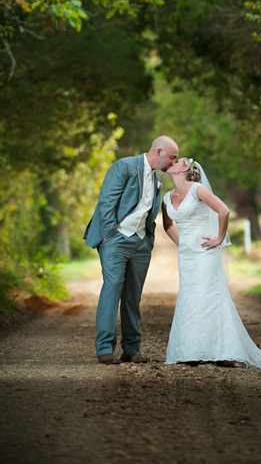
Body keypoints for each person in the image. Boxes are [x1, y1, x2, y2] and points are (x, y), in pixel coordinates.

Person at [162, 158, 261, 369]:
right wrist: (181, 244)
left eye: (177, 161)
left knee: (208, 296)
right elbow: (168, 224)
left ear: (185, 169)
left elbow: (223, 211)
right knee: (189, 298)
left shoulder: (197, 190)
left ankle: (225, 351)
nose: (172, 162)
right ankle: (191, 351)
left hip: (206, 253)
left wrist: (218, 238)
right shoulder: (167, 197)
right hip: (186, 256)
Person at [84, 134, 179, 364]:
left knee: (133, 296)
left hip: (140, 244)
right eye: (172, 158)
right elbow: (106, 203)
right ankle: (105, 349)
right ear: (158, 151)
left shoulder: (158, 179)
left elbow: (150, 213)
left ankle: (132, 349)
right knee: (112, 288)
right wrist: (109, 236)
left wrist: (148, 241)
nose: (173, 163)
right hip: (115, 240)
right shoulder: (124, 166)